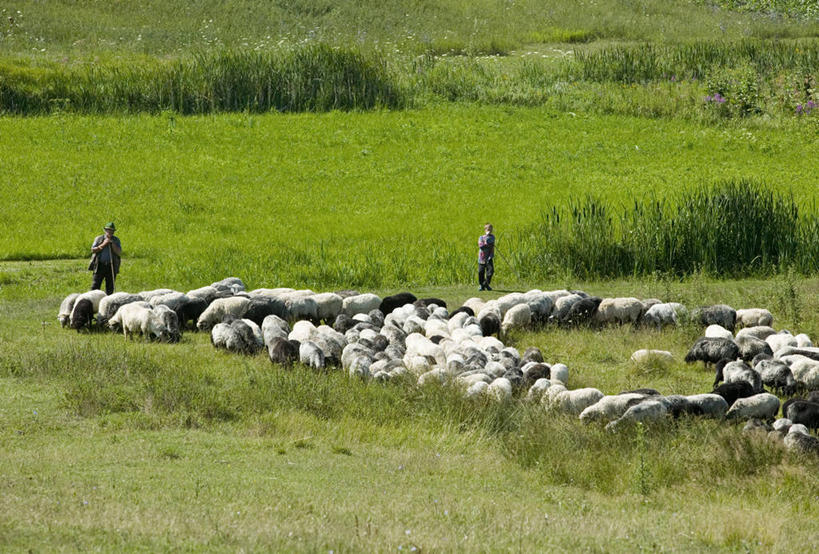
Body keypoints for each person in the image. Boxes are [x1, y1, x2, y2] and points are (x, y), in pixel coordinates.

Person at [89, 222, 122, 295]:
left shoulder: (116, 240)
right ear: (105, 230)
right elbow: (93, 250)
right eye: (108, 230)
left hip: (111, 266)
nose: (110, 232)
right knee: (95, 286)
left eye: (112, 230)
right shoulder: (98, 239)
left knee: (110, 287)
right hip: (100, 265)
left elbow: (119, 252)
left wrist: (112, 244)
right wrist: (104, 244)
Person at [478, 222, 495, 291]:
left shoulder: (492, 237)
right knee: (481, 272)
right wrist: (486, 241)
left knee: (490, 271)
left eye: (491, 229)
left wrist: (491, 256)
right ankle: (482, 285)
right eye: (488, 229)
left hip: (489, 257)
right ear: (485, 230)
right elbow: (481, 246)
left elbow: (491, 242)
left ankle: (486, 283)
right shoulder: (481, 237)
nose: (489, 230)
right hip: (482, 258)